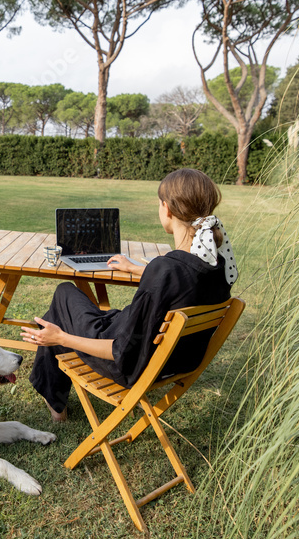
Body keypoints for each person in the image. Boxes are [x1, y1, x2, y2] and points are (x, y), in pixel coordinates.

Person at [20, 168, 239, 422]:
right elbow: (183, 282)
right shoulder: (217, 265)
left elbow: (120, 351)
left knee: (65, 293)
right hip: (175, 363)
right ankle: (53, 395)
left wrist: (62, 337)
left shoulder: (165, 269)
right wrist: (138, 268)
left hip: (128, 365)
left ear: (166, 208)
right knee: (69, 308)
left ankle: (54, 401)